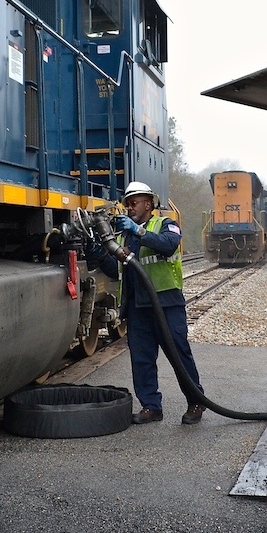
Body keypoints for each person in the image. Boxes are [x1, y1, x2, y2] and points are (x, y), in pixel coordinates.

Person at [91, 181, 206, 425]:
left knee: (179, 355)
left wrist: (139, 231)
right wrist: (99, 254)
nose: (130, 208)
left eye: (134, 203)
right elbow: (116, 270)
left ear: (148, 203)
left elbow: (168, 245)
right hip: (138, 308)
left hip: (167, 305)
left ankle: (196, 402)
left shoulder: (166, 224)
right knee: (142, 360)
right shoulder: (123, 237)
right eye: (128, 204)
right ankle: (151, 407)